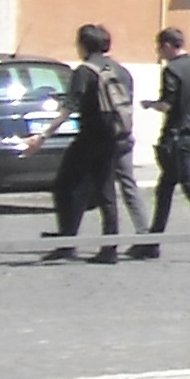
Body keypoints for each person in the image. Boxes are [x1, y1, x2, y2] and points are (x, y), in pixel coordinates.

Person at [43, 23, 140, 262]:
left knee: (66, 185)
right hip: (116, 136)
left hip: (91, 135)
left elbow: (70, 107)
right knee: (106, 190)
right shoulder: (121, 71)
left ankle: (67, 241)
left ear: (83, 45)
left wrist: (44, 134)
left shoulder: (84, 71)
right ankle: (110, 246)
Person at [128, 25, 190, 260]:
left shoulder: (172, 70)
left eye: (159, 48)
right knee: (164, 188)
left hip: (177, 137)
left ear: (166, 46)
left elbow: (167, 104)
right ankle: (152, 241)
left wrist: (150, 104)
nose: (159, 53)